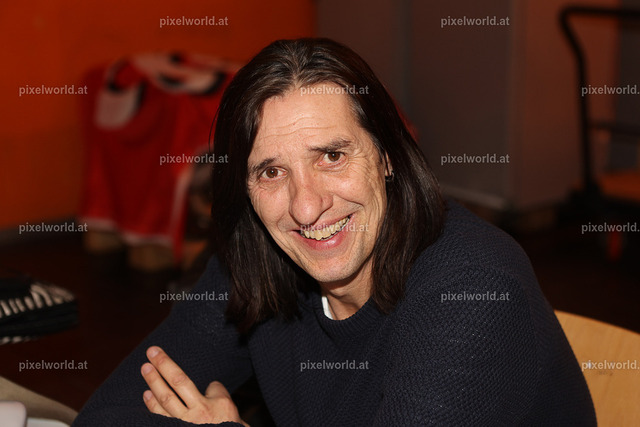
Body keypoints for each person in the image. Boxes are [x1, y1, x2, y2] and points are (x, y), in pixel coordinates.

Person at [73, 38, 596, 426]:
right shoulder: (257, 258)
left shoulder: (473, 288)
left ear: (388, 156)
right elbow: (111, 414)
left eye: (331, 156)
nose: (306, 207)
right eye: (271, 172)